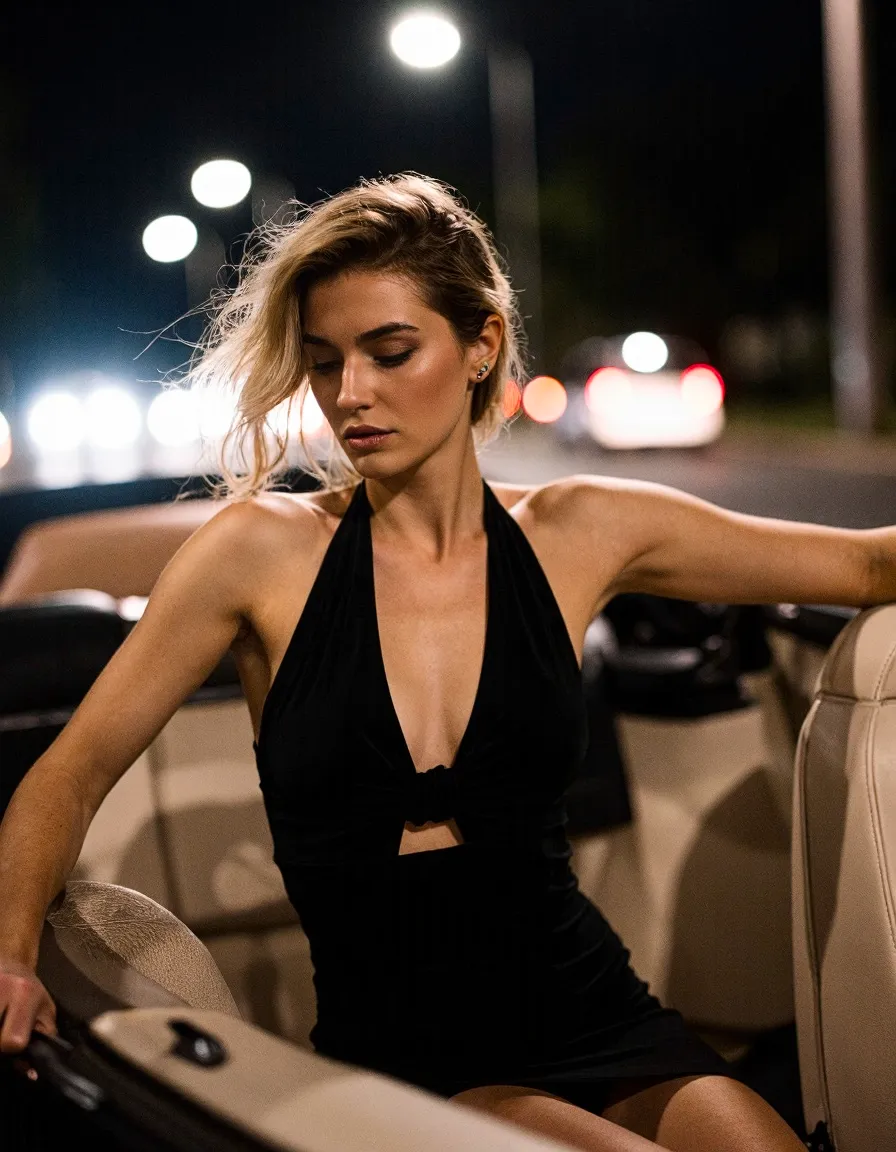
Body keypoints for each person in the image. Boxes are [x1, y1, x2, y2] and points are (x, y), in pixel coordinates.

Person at [0, 173, 884, 1152]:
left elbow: (862, 564)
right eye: (325, 362)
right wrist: (11, 957)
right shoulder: (257, 552)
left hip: (594, 1009)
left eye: (389, 353)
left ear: (480, 347)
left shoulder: (580, 529)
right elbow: (68, 777)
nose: (350, 393)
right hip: (407, 1055)